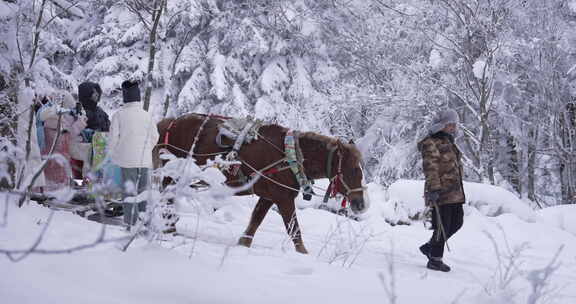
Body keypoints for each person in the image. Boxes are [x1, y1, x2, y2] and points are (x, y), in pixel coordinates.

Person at [417, 109, 465, 272]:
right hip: (440, 192)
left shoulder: (450, 142)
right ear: (441, 125)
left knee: (457, 223)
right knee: (442, 226)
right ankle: (435, 259)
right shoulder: (431, 142)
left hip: (455, 192)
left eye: (454, 124)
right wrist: (434, 189)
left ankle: (429, 247)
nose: (453, 127)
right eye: (449, 124)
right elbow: (430, 167)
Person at [108, 80, 159, 226]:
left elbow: (112, 139)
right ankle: (145, 224)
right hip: (144, 160)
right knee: (143, 193)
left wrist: (114, 155)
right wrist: (145, 149)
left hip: (127, 161)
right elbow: (155, 136)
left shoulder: (119, 115)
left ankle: (131, 224)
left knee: (129, 193)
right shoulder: (146, 115)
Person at [37, 91, 80, 190]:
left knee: (60, 170)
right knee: (53, 169)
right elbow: (43, 117)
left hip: (59, 151)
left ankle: (60, 190)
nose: (68, 111)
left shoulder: (63, 117)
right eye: (67, 109)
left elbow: (71, 132)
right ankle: (53, 191)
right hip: (52, 149)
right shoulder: (49, 113)